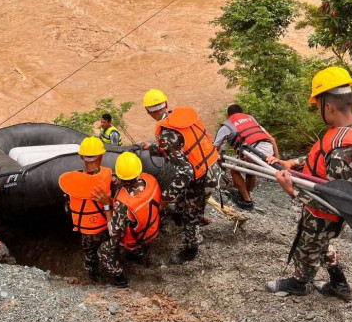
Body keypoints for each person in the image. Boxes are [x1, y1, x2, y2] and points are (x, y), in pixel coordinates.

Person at [266, 67, 352, 299]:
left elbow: (333, 201)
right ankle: (339, 284)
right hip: (341, 212)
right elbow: (326, 156)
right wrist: (294, 162)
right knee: (323, 243)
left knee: (308, 245)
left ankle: (299, 284)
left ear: (328, 107)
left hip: (325, 213)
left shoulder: (343, 152)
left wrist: (292, 191)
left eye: (318, 106)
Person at [142, 89, 220, 264]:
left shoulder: (165, 134)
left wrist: (164, 199)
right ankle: (192, 214)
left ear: (147, 111)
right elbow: (183, 145)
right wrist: (153, 147)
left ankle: (190, 249)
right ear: (167, 105)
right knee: (184, 203)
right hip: (213, 165)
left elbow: (185, 172)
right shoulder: (183, 118)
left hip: (203, 178)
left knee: (189, 214)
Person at [94, 152, 161, 288]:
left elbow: (113, 232)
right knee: (135, 225)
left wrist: (107, 205)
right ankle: (139, 253)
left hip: (134, 238)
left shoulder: (124, 204)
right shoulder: (150, 180)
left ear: (118, 175)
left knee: (103, 251)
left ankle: (120, 279)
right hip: (151, 230)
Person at [59, 137, 116, 283]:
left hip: (86, 230)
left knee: (90, 257)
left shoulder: (71, 181)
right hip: (106, 225)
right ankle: (115, 272)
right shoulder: (111, 177)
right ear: (101, 156)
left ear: (81, 156)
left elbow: (68, 208)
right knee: (111, 251)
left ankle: (95, 281)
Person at [213, 104, 279, 209]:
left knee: (234, 171)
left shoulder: (226, 126)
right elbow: (272, 140)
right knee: (250, 170)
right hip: (269, 151)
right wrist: (277, 159)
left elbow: (215, 148)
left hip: (252, 153)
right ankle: (246, 194)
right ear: (242, 113)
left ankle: (246, 200)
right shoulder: (251, 121)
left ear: (227, 116)